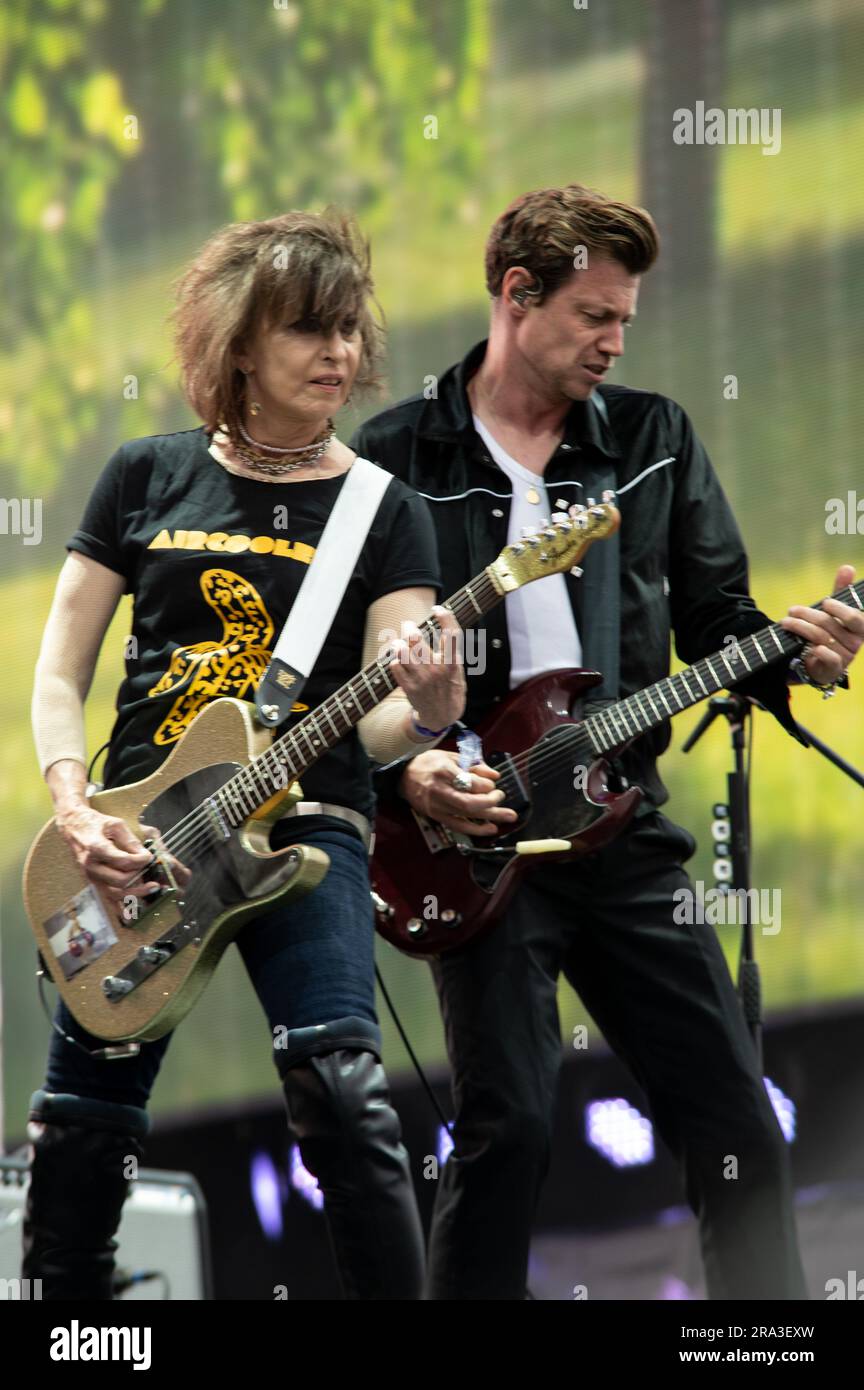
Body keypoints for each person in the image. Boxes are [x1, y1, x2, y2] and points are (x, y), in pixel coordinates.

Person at [350, 183, 863, 1300]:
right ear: (516, 298)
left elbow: (719, 622)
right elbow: (358, 681)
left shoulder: (652, 436)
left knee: (736, 1121)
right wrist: (410, 777)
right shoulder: (394, 457)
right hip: (480, 841)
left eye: (625, 319)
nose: (615, 342)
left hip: (622, 827)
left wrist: (802, 651)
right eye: (595, 315)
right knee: (510, 1129)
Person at [24, 208, 467, 1301]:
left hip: (307, 824)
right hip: (136, 831)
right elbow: (57, 674)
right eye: (309, 331)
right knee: (85, 1123)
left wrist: (428, 709)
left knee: (345, 1091)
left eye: (350, 329)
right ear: (238, 349)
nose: (340, 354)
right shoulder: (144, 476)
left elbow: (375, 725)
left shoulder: (384, 509)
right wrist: (79, 813)